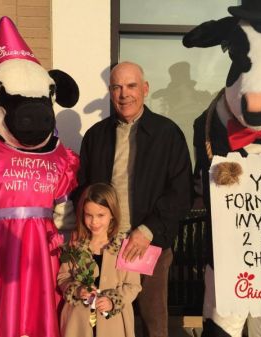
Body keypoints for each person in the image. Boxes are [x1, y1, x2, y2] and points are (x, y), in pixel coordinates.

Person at [77, 61, 193, 337]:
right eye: (117, 87)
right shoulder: (96, 136)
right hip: (105, 244)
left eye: (131, 86)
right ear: (110, 91)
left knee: (152, 320)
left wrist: (147, 230)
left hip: (149, 243)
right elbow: (83, 188)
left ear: (145, 89)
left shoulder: (168, 134)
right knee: (107, 319)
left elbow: (181, 190)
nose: (124, 94)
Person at [58, 183, 142, 337]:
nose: (94, 222)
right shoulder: (75, 246)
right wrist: (76, 290)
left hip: (114, 325)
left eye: (100, 215)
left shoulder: (125, 247)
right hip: (78, 326)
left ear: (112, 214)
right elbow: (63, 277)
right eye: (88, 215)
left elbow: (133, 286)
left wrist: (112, 301)